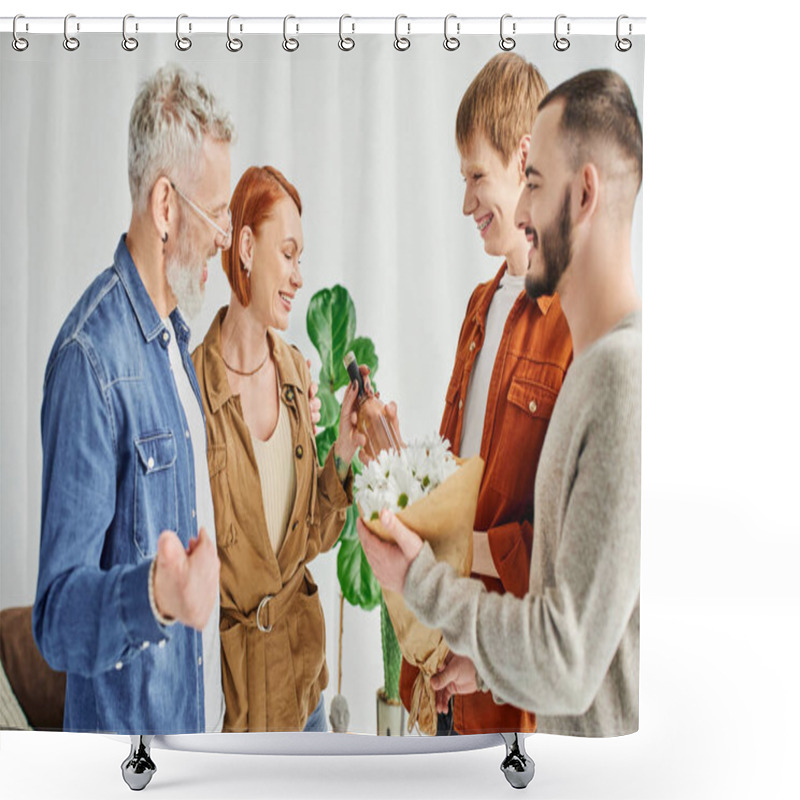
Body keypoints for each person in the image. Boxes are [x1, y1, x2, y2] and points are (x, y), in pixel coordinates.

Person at [358, 68, 642, 737]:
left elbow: (561, 594)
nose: (503, 212)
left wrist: (429, 571)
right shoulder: (483, 312)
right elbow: (474, 493)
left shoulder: (611, 366)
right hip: (474, 663)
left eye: (529, 184)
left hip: (525, 704)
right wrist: (401, 477)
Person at [33, 66, 234, 733]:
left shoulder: (175, 344)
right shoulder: (89, 361)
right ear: (166, 206)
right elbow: (58, 619)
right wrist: (155, 595)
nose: (223, 239)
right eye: (216, 215)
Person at [397, 53, 573, 735]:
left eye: (476, 176)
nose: (466, 202)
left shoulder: (576, 324)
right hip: (451, 670)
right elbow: (458, 477)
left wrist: (457, 554)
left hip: (516, 699)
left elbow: (567, 556)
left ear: (527, 158)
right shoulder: (480, 306)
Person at [192, 166, 364, 732]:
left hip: (303, 689)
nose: (297, 276)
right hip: (230, 705)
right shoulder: (191, 386)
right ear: (245, 246)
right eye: (287, 254)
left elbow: (310, 534)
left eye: (300, 258)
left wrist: (342, 453)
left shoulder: (295, 374)